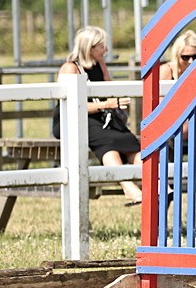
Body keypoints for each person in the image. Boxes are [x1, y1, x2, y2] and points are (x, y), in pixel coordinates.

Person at [52, 26, 143, 205]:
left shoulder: (100, 65)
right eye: (102, 46)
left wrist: (117, 102)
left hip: (100, 117)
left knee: (130, 142)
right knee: (107, 142)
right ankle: (129, 187)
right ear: (89, 47)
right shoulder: (70, 68)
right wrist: (106, 104)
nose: (106, 50)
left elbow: (109, 90)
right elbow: (72, 105)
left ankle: (154, 183)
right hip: (73, 119)